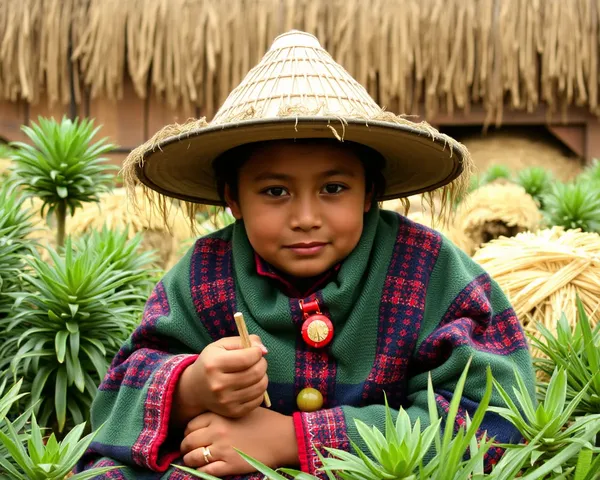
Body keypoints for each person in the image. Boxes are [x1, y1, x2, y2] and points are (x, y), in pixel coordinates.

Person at [78, 30, 535, 479]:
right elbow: (116, 401)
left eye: (333, 188)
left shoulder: (427, 269)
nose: (305, 217)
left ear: (369, 192)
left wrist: (294, 439)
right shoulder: (203, 274)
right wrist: (190, 387)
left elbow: (495, 414)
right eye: (275, 191)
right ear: (232, 198)